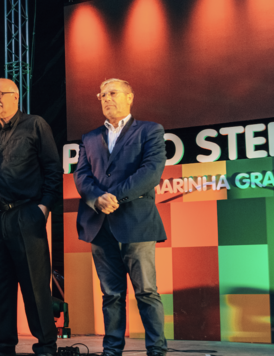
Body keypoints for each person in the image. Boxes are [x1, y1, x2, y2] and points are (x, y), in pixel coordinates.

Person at [73, 78, 168, 356]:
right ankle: (111, 350)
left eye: (112, 93)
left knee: (146, 292)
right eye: (102, 95)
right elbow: (82, 176)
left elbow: (151, 172)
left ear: (129, 97)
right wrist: (96, 198)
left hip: (137, 224)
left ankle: (157, 350)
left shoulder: (150, 130)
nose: (106, 98)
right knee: (111, 294)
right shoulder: (89, 137)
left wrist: (112, 197)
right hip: (99, 225)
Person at [0, 78, 61, 356]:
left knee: (35, 285)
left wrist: (43, 207)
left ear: (16, 96)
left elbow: (53, 169)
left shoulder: (35, 124)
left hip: (26, 213)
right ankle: (3, 345)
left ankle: (46, 345)